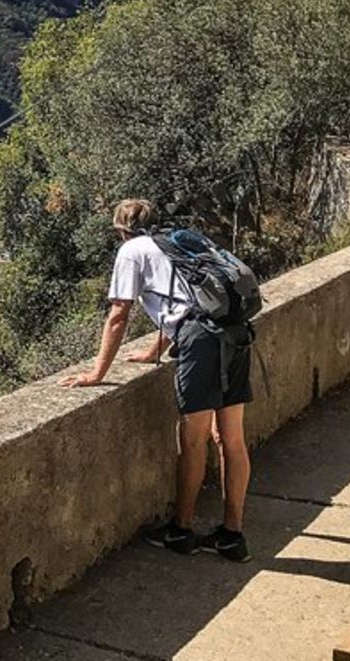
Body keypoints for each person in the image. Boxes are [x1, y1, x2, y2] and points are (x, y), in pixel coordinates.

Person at [60, 199, 253, 562]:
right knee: (231, 438)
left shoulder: (131, 251)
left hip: (200, 341)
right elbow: (186, 302)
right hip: (235, 333)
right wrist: (154, 350)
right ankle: (232, 536)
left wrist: (97, 372)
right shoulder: (177, 243)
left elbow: (119, 314)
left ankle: (181, 531)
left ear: (121, 229)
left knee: (194, 440)